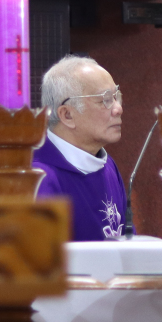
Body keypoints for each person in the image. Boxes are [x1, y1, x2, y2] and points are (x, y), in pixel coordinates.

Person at [33, 54, 129, 242]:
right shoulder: (39, 179)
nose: (118, 109)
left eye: (116, 97)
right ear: (67, 115)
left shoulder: (107, 165)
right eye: (105, 99)